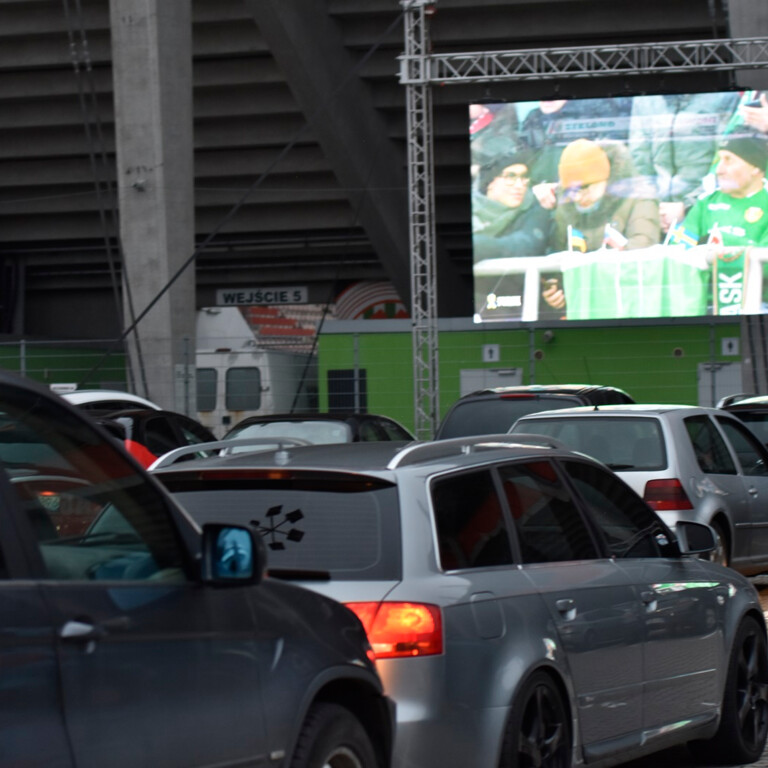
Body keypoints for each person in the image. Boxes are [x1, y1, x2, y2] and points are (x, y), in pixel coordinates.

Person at [628, 92, 741, 233]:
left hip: (705, 214)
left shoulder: (723, 97)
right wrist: (653, 208)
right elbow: (639, 160)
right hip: (657, 217)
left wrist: (687, 207)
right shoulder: (645, 100)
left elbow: (726, 163)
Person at [472, 150, 553, 260]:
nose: (519, 185)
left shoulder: (533, 207)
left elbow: (528, 246)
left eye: (524, 177)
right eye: (510, 176)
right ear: (489, 182)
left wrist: (479, 246)